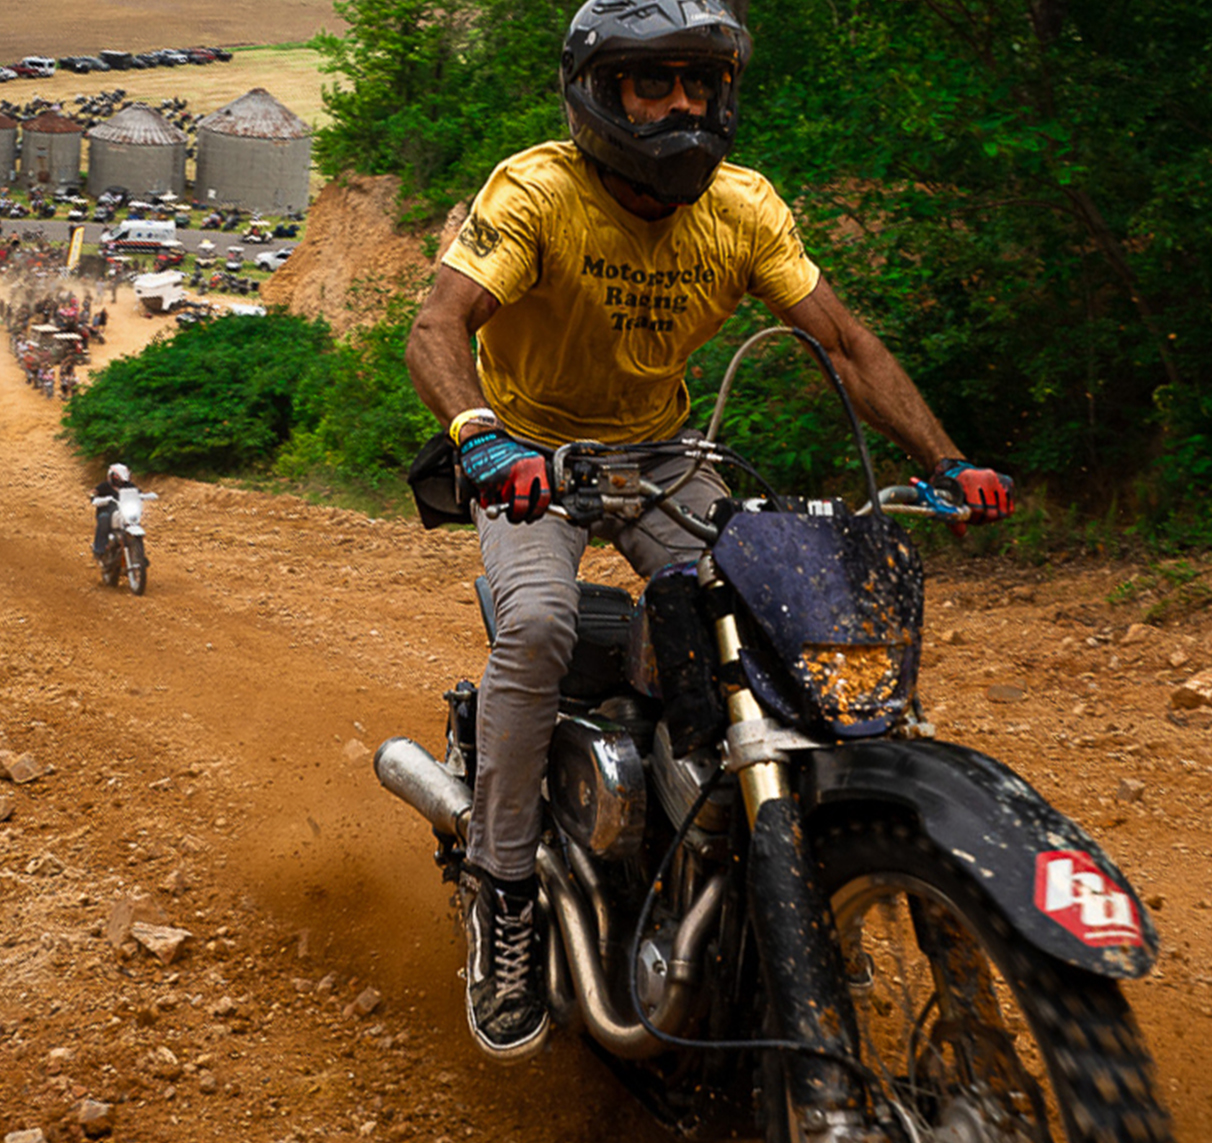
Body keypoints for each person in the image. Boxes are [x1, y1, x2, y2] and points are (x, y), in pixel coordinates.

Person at [403, 0, 1015, 1063]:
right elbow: (438, 324)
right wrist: (481, 437)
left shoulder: (743, 207)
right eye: (654, 81)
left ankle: (744, 852)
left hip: (667, 452)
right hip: (535, 454)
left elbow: (844, 345)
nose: (682, 102)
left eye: (701, 81)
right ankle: (505, 893)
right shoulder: (537, 190)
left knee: (769, 623)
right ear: (598, 93)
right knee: (538, 626)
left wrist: (946, 460)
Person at [90, 462, 134, 558]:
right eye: (118, 480)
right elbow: (93, 494)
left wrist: (145, 496)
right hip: (106, 511)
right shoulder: (104, 486)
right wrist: (100, 499)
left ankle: (136, 549)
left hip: (123, 512)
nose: (120, 483)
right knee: (104, 519)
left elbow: (137, 493)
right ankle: (99, 548)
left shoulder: (128, 486)